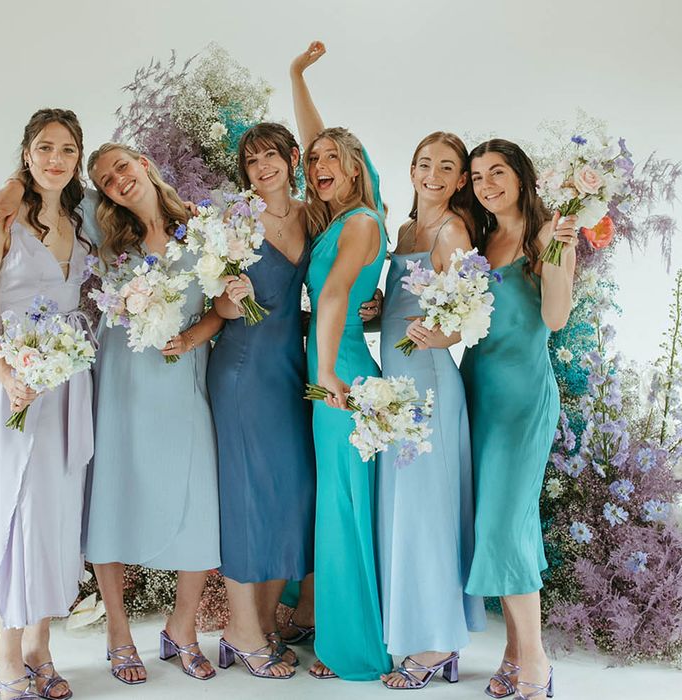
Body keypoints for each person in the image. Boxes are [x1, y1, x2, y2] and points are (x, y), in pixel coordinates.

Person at [0, 108, 94, 700]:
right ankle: (6, 652)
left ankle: (42, 645)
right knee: (19, 510)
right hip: (14, 384)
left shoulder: (81, 221)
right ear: (25, 153)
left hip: (69, 386)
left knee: (60, 511)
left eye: (67, 149)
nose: (55, 160)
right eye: (44, 148)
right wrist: (9, 375)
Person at [83, 143, 223, 685]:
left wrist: (191, 337)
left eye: (122, 165)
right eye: (104, 179)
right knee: (113, 496)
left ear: (144, 163)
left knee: (199, 497)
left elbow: (222, 310)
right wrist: (6, 189)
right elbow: (44, 197)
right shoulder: (104, 236)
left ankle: (181, 627)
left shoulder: (202, 227)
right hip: (120, 381)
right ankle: (118, 631)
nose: (117, 180)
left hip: (182, 378)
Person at [460, 139, 577, 700]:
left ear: (521, 176)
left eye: (497, 172)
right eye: (478, 175)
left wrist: (556, 255)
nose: (487, 183)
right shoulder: (480, 239)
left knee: (504, 526)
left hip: (523, 398)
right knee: (502, 523)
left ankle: (536, 660)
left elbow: (554, 318)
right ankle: (512, 652)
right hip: (477, 391)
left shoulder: (548, 236)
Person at [290, 41, 391, 681]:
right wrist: (296, 75)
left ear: (356, 170)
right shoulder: (337, 217)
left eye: (335, 158)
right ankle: (336, 626)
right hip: (330, 373)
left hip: (344, 381)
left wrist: (327, 374)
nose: (322, 163)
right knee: (336, 505)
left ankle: (350, 646)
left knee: (346, 510)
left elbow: (330, 298)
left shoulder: (358, 222)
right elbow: (312, 143)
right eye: (316, 160)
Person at [376, 132, 487, 689]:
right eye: (425, 164)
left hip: (429, 387)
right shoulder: (403, 231)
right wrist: (378, 309)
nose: (434, 174)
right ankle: (417, 629)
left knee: (428, 510)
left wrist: (437, 335)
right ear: (412, 168)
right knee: (406, 510)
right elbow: (399, 307)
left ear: (462, 179)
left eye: (448, 167)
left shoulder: (453, 231)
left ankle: (438, 642)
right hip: (395, 382)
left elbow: (467, 316)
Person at [207, 122, 315, 679]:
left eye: (270, 156)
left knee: (291, 491)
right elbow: (220, 309)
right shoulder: (235, 220)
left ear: (292, 158)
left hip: (290, 368)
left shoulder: (310, 215)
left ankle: (266, 619)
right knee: (247, 493)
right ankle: (240, 628)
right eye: (251, 162)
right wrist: (231, 297)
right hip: (243, 369)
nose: (262, 168)